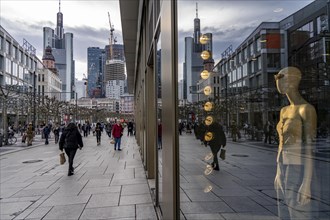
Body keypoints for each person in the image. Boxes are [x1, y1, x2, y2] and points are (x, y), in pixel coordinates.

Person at [274, 67, 317, 219]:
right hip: (282, 165)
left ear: (292, 81)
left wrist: (306, 182)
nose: (277, 81)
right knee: (283, 214)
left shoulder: (306, 109)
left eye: (280, 77)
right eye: (277, 77)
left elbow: (309, 149)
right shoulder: (284, 110)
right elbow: (281, 143)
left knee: (298, 213)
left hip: (297, 167)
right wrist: (278, 172)